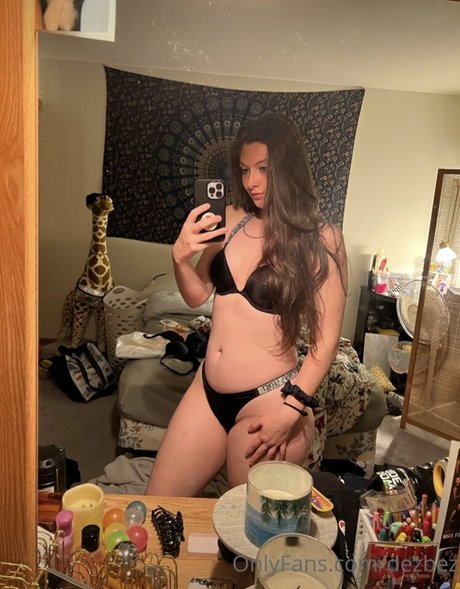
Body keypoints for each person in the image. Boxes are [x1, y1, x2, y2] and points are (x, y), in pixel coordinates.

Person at [146, 112, 347, 496]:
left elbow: (325, 343)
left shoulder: (321, 239)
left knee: (248, 526)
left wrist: (290, 412)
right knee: (158, 503)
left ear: (287, 168)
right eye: (244, 170)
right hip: (207, 391)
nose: (251, 182)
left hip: (270, 400)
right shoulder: (231, 219)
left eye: (263, 169)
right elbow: (197, 294)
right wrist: (179, 259)